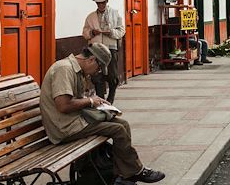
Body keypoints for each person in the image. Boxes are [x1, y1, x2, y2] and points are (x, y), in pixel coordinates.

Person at [40, 43, 165, 184]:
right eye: (99, 68)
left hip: (75, 121)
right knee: (117, 129)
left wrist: (99, 104)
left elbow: (75, 101)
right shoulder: (64, 69)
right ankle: (134, 172)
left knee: (122, 124)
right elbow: (63, 105)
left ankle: (127, 173)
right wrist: (90, 101)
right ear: (92, 59)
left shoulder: (76, 70)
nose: (98, 72)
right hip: (64, 128)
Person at [82, 0, 124, 104]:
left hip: (111, 48)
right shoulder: (90, 17)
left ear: (107, 1)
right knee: (96, 76)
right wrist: (92, 33)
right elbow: (85, 33)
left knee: (112, 76)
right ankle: (101, 100)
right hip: (95, 50)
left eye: (103, 2)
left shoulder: (115, 14)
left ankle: (110, 99)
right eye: (99, 3)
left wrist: (110, 32)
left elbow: (121, 30)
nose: (101, 5)